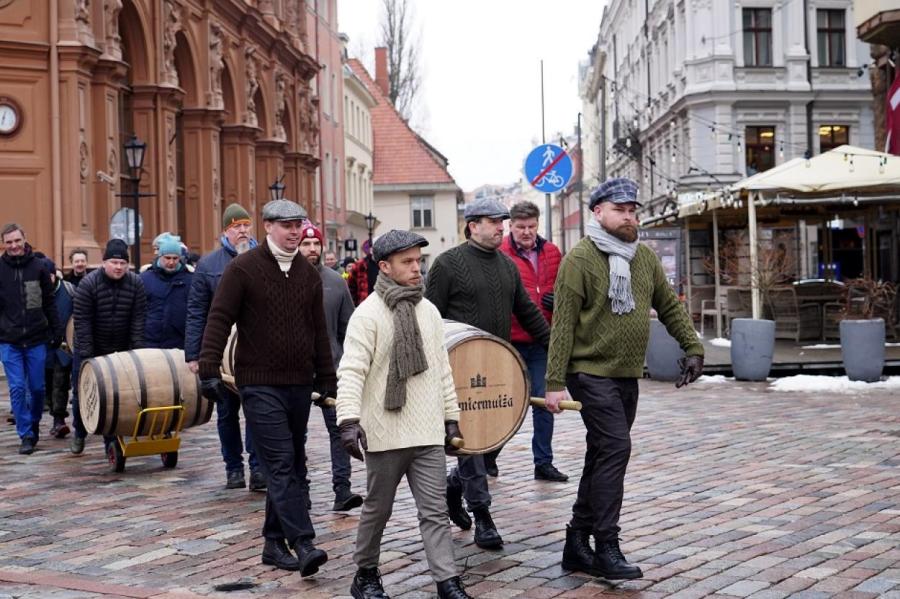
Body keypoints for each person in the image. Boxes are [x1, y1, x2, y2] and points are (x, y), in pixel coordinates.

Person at [545, 178, 704, 581]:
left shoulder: (643, 258)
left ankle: (576, 543)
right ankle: (606, 546)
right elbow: (562, 324)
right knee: (616, 447)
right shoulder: (579, 259)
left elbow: (668, 305)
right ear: (598, 212)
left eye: (633, 210)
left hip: (625, 374)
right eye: (621, 209)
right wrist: (553, 381)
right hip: (589, 372)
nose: (630, 216)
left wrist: (693, 347)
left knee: (601, 453)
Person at [198, 199, 335, 576]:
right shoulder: (243, 269)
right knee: (278, 462)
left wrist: (327, 377)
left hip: (298, 383)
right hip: (258, 383)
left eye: (298, 225)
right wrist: (208, 367)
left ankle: (273, 544)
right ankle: (303, 541)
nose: (295, 232)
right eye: (287, 226)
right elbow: (219, 317)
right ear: (268, 226)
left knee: (293, 460)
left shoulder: (308, 274)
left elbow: (318, 331)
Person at [337, 230, 472, 599]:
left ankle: (448, 581)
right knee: (378, 511)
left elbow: (442, 369)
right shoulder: (367, 316)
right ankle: (365, 574)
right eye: (407, 262)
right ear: (385, 266)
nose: (417, 269)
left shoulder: (428, 311)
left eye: (419, 261)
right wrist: (348, 421)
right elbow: (351, 371)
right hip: (384, 431)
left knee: (434, 513)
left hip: (426, 430)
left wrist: (450, 416)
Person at [425, 197, 550, 550]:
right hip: (458, 368)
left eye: (502, 221)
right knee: (472, 443)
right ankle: (483, 516)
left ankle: (454, 487)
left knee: (493, 438)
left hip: (497, 366)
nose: (500, 227)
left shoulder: (507, 267)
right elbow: (430, 317)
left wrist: (555, 348)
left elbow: (527, 312)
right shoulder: (448, 264)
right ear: (472, 225)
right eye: (493, 221)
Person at [185, 204, 265, 491]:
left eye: (246, 225)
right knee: (227, 412)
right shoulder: (208, 266)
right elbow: (196, 311)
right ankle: (233, 468)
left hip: (256, 349)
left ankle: (258, 469)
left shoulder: (262, 259)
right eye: (236, 227)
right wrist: (194, 355)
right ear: (225, 231)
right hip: (220, 351)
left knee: (257, 412)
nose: (242, 231)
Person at [296, 222, 363, 512]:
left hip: (331, 370)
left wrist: (345, 361)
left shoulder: (335, 282)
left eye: (316, 245)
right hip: (295, 371)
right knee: (295, 434)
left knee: (340, 430)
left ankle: (343, 489)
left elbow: (348, 327)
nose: (312, 250)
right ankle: (300, 489)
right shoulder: (284, 279)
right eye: (305, 244)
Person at [500, 200, 567, 483]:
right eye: (520, 227)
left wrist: (558, 299)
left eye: (531, 226)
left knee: (544, 401)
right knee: (504, 403)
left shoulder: (552, 252)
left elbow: (565, 286)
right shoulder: (501, 253)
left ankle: (544, 462)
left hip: (542, 341)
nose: (526, 232)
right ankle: (489, 456)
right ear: (510, 226)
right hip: (510, 340)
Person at [70, 238, 147, 455]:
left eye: (123, 263)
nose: (118, 267)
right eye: (114, 262)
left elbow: (138, 320)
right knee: (80, 393)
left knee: (115, 396)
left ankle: (111, 441)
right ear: (104, 262)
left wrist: (137, 353)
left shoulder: (136, 284)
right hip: (90, 347)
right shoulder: (88, 285)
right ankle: (79, 432)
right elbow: (82, 322)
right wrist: (87, 357)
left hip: (120, 348)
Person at [0, 224, 59, 454]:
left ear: (24, 240)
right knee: (16, 388)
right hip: (9, 340)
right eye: (9, 242)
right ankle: (25, 433)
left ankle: (34, 423)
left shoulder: (39, 267)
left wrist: (57, 331)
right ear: (4, 243)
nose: (13, 245)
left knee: (37, 388)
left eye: (17, 240)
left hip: (36, 338)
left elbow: (48, 302)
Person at [140, 235, 192, 349]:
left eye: (175, 258)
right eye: (167, 258)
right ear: (160, 256)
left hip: (180, 344)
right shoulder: (144, 279)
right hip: (151, 344)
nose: (171, 262)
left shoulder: (190, 280)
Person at [43, 259, 75, 439]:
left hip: (63, 347)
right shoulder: (36, 292)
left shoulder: (69, 290)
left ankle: (59, 420)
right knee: (46, 384)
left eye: (51, 276)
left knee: (60, 382)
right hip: (42, 346)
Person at [348, 240, 377, 305]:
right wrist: (354, 305)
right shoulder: (359, 265)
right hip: (364, 305)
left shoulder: (386, 265)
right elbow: (351, 287)